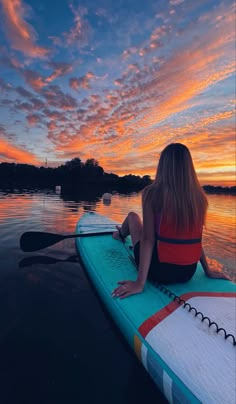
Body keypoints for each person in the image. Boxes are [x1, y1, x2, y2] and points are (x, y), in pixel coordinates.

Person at [112, 143, 229, 299]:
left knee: (133, 217)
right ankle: (119, 232)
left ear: (163, 166)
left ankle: (120, 234)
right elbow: (196, 239)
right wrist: (207, 270)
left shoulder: (152, 193)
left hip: (159, 271)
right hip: (188, 272)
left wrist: (139, 283)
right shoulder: (199, 199)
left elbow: (148, 240)